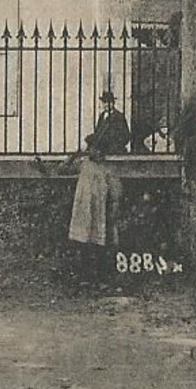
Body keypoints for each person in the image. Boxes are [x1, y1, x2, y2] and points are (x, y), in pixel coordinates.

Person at [66, 89, 133, 286]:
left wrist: (110, 146)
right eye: (104, 102)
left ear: (113, 102)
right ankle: (94, 271)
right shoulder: (102, 117)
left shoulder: (118, 117)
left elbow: (125, 136)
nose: (106, 105)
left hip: (111, 151)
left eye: (108, 102)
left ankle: (100, 272)